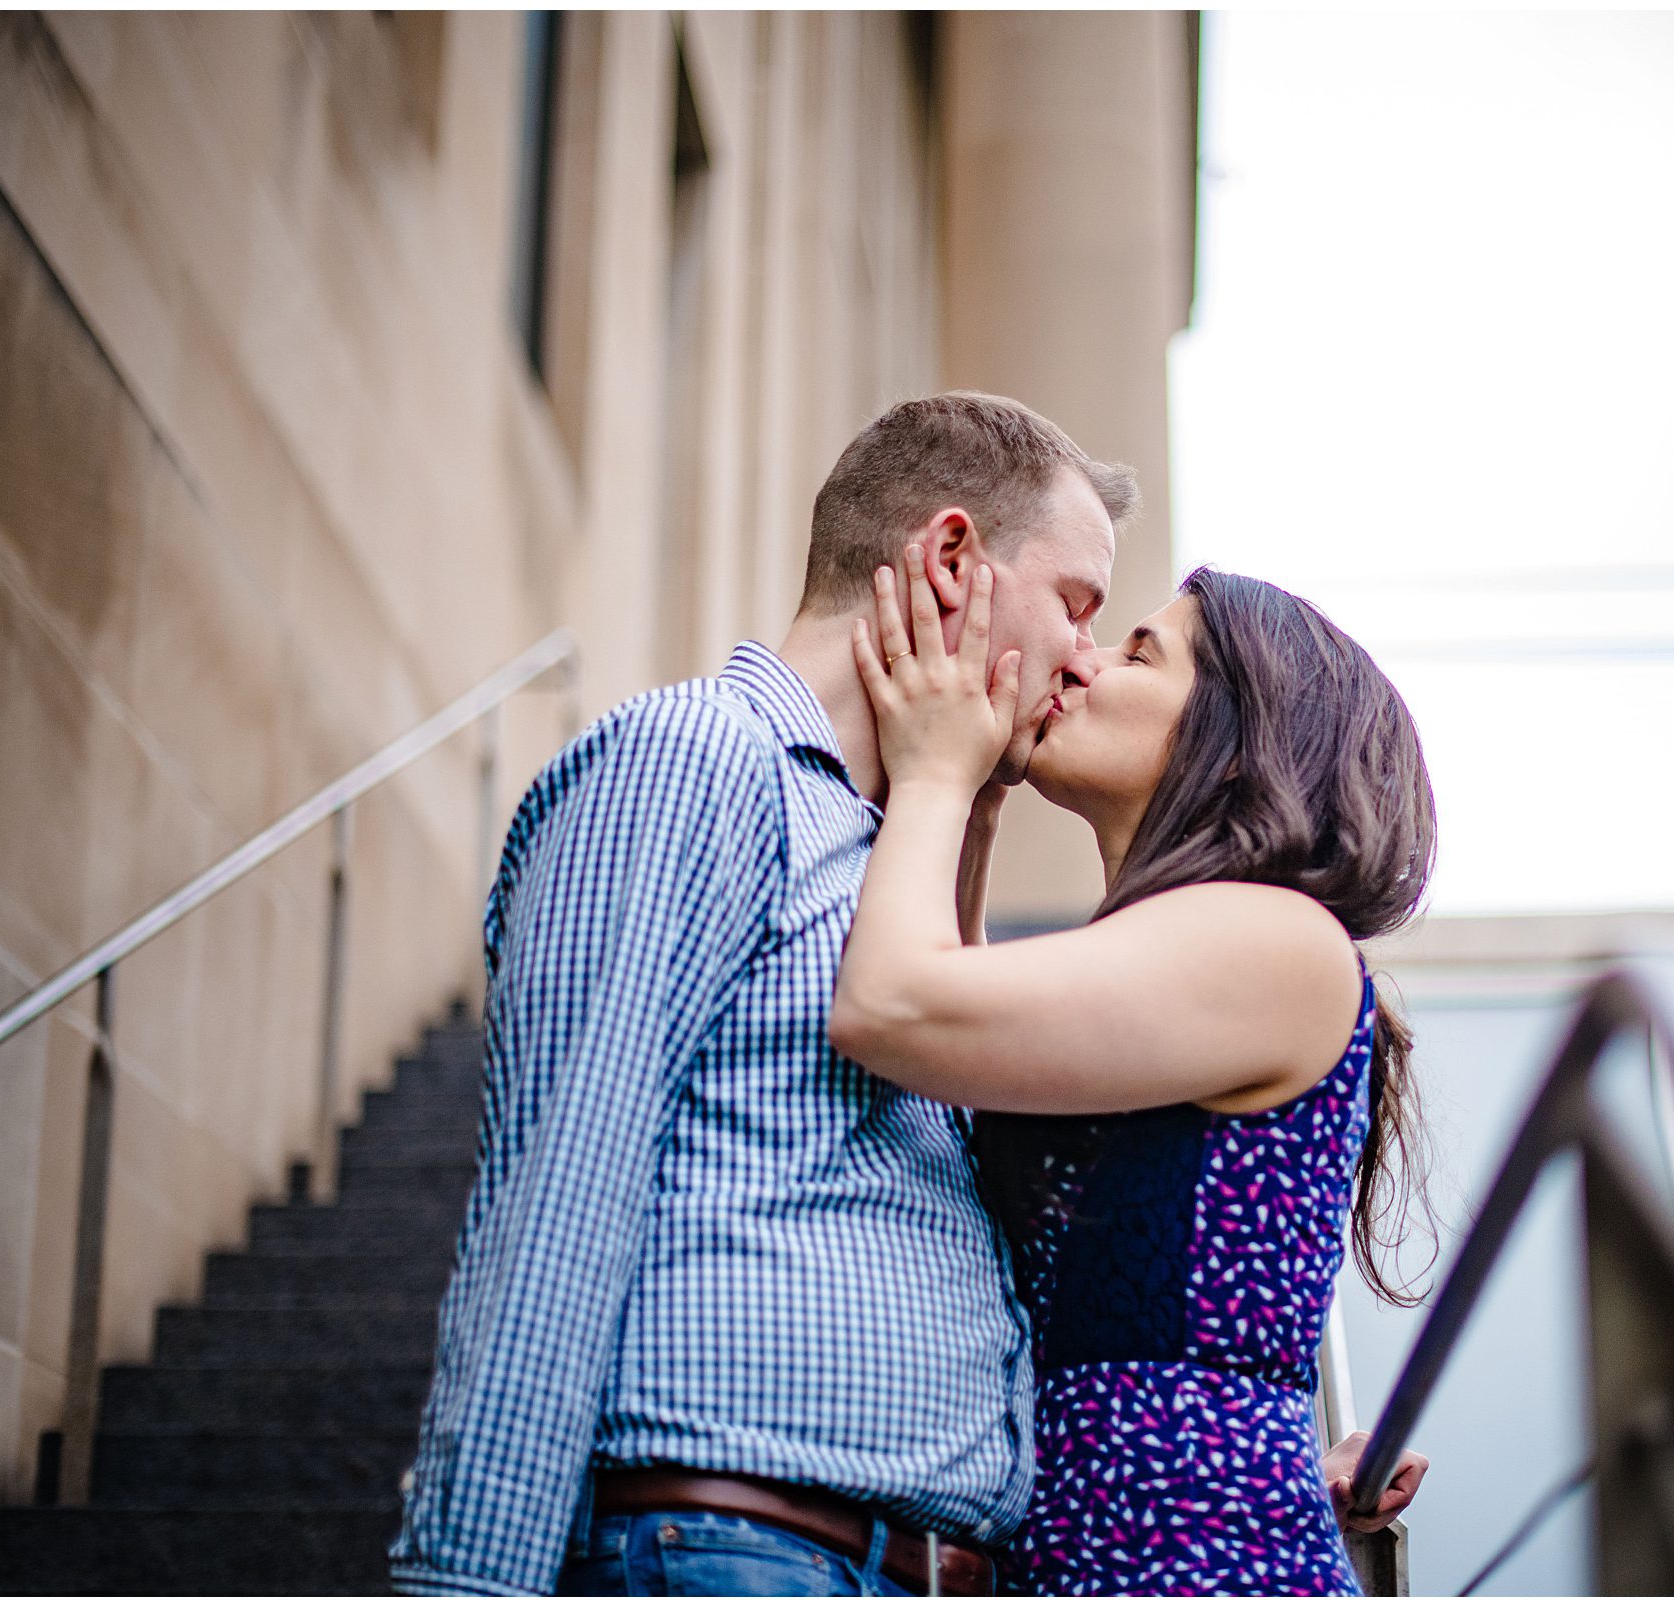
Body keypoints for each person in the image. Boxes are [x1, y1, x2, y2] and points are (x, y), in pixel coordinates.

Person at [389, 392, 1132, 1597]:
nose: (1088, 660)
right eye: (1078, 604)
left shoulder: (899, 870)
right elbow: (559, 1192)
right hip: (734, 1549)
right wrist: (470, 1585)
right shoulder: (695, 760)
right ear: (952, 559)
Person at [830, 554, 1438, 1594]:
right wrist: (976, 806)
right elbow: (957, 1077)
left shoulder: (1282, 939)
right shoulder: (1195, 959)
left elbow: (892, 1006)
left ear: (1238, 742)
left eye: (1138, 653)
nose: (1082, 659)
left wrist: (935, 774)